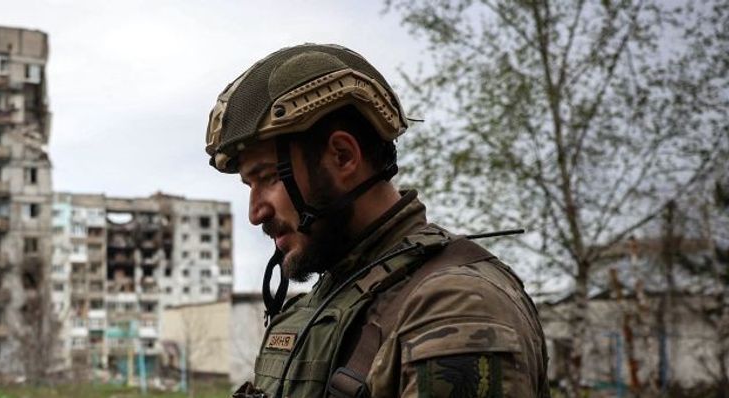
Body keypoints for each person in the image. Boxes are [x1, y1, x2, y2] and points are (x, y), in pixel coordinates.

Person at [206, 44, 548, 398]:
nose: (255, 212)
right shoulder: (332, 298)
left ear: (343, 157)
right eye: (250, 185)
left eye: (268, 178)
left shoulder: (454, 307)